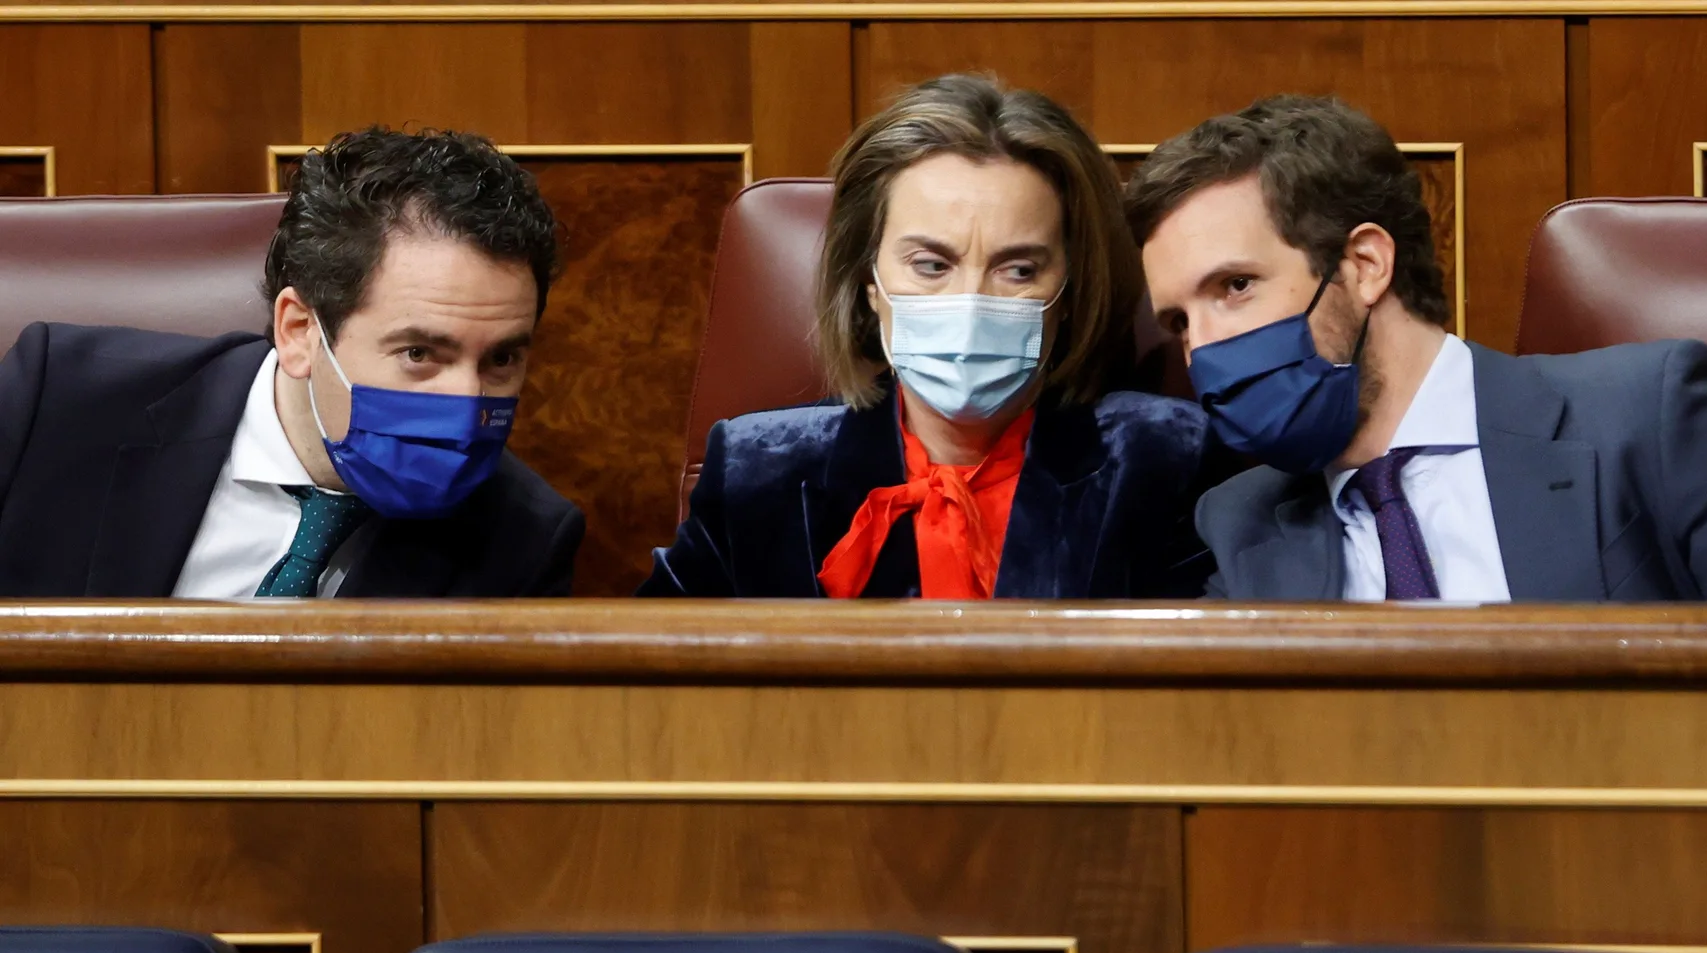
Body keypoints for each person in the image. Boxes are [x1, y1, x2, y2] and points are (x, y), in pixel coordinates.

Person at [1126, 95, 1707, 603]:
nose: (1204, 348)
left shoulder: (1649, 414)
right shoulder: (1242, 522)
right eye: (1179, 322)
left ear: (1363, 266)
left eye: (1234, 287)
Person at [641, 74, 1230, 599]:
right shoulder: (754, 470)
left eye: (1018, 270)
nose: (971, 301)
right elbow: (650, 685)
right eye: (930, 265)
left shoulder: (1164, 461)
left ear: (1070, 292)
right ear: (870, 283)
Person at [0, 127, 584, 598]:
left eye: (501, 358)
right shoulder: (57, 400)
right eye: (419, 353)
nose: (465, 402)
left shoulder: (521, 541)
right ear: (300, 331)